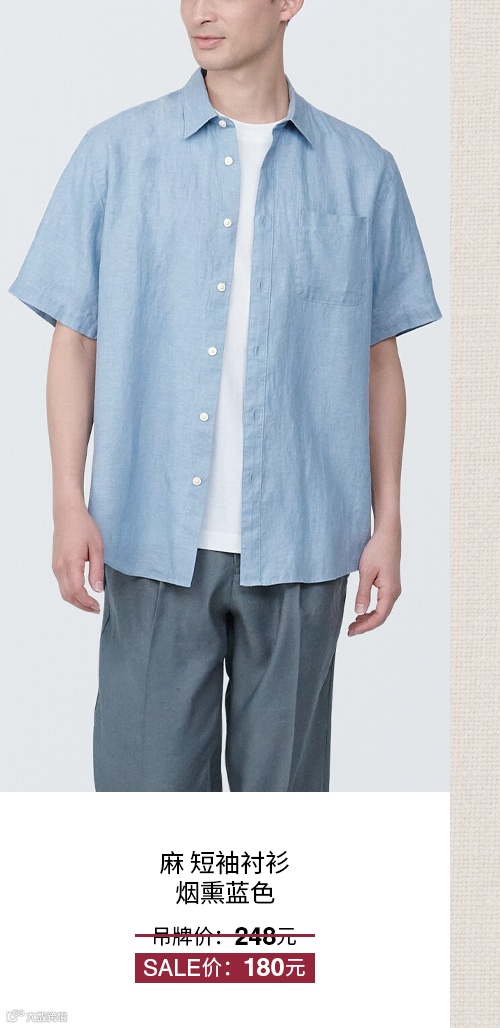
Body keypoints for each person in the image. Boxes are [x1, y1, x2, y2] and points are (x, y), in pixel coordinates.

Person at [8, 0, 442, 792]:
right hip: (150, 536)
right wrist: (68, 502)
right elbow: (75, 340)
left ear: (287, 3)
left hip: (306, 541)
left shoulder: (362, 170)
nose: (199, 11)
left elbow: (379, 358)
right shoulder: (116, 154)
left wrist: (389, 523)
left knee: (284, 816)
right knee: (144, 806)